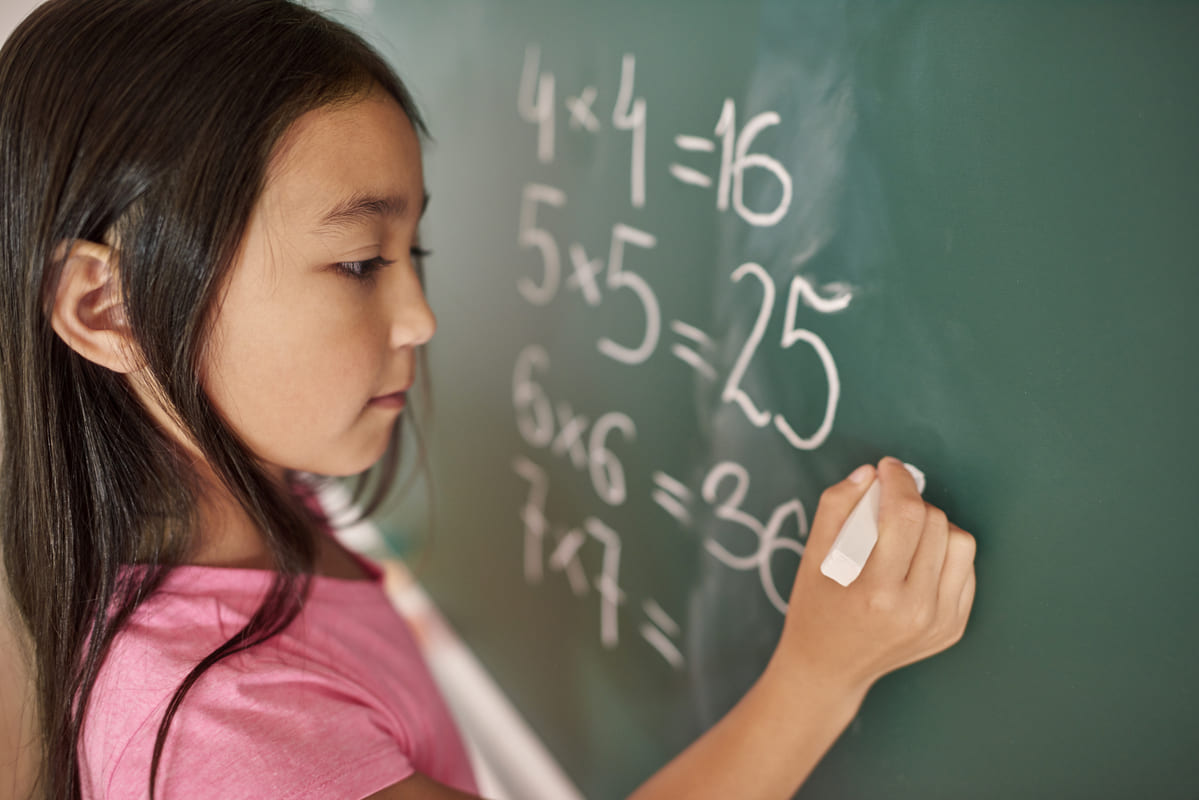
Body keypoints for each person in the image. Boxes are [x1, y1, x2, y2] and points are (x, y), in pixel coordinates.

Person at [0, 1, 977, 798]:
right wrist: (817, 676)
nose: (420, 314)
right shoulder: (226, 737)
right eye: (356, 262)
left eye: (410, 253)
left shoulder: (249, 496)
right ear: (105, 305)